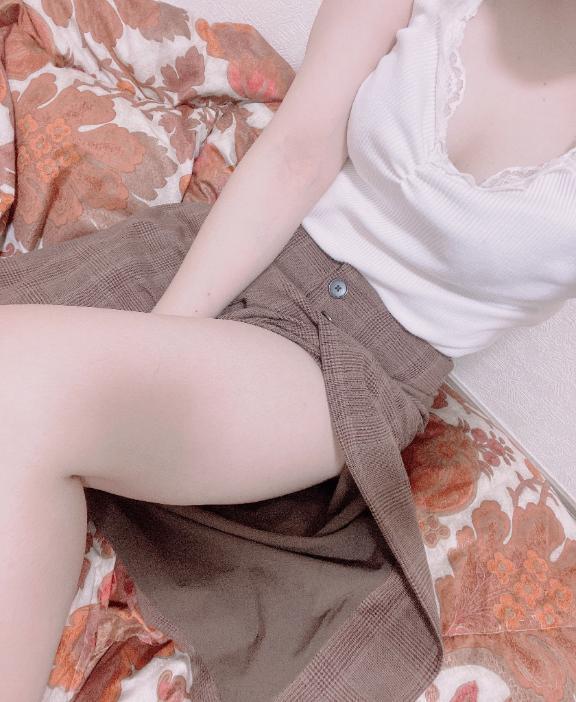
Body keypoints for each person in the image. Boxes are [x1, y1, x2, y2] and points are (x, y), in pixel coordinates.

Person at [1, 0, 575, 699]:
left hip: (345, 369)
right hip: (239, 253)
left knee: (19, 387)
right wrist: (162, 349)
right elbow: (297, 153)